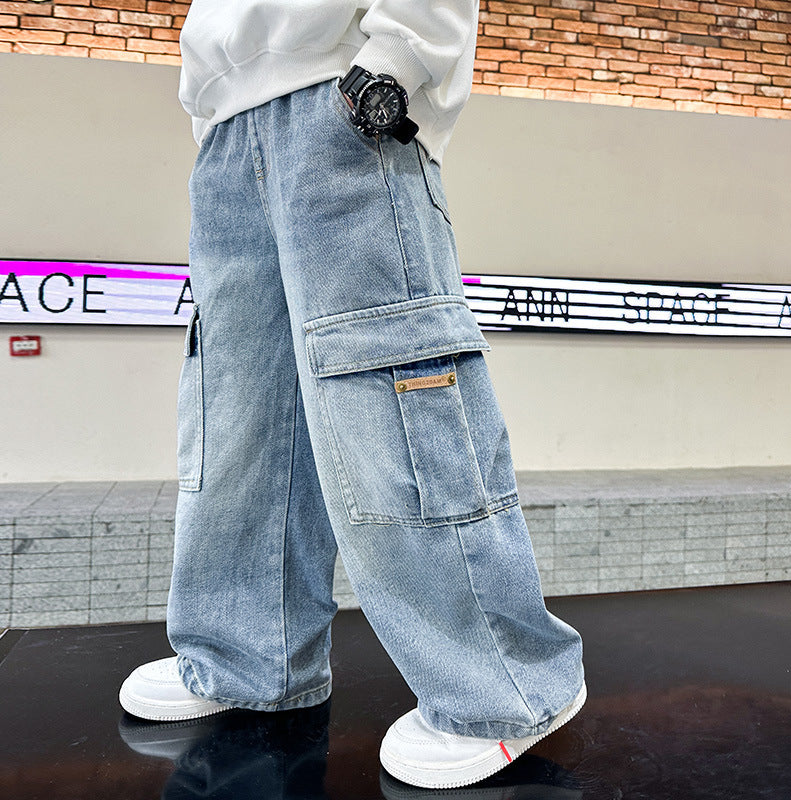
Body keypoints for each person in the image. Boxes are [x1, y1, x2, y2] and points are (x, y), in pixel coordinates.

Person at [119, 0, 586, 789]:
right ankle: (249, 657)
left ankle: (504, 689)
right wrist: (217, 114)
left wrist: (397, 62)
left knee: (388, 391)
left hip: (342, 98)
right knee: (237, 410)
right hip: (229, 129)